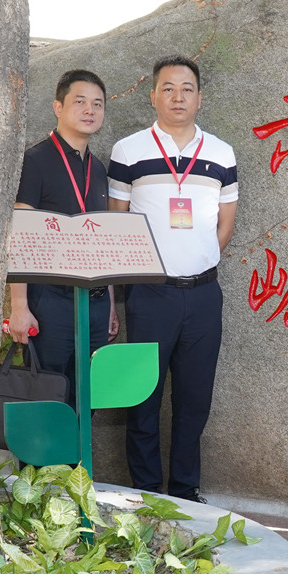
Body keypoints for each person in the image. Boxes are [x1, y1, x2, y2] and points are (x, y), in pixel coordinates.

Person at [108, 56, 237, 503]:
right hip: (150, 294)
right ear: (153, 96)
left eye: (186, 89)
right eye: (168, 88)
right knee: (142, 396)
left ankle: (184, 490)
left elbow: (225, 224)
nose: (177, 97)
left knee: (194, 398)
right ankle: (146, 490)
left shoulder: (221, 153)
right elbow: (117, 223)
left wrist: (196, 260)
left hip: (202, 295)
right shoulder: (129, 151)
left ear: (199, 97)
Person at [9, 69, 115, 398]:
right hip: (51, 302)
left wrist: (110, 304)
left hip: (95, 303)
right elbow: (21, 233)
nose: (89, 110)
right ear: (58, 107)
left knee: (90, 395)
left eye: (97, 104)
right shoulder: (35, 160)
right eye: (80, 102)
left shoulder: (98, 168)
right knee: (48, 396)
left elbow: (103, 240)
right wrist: (19, 306)